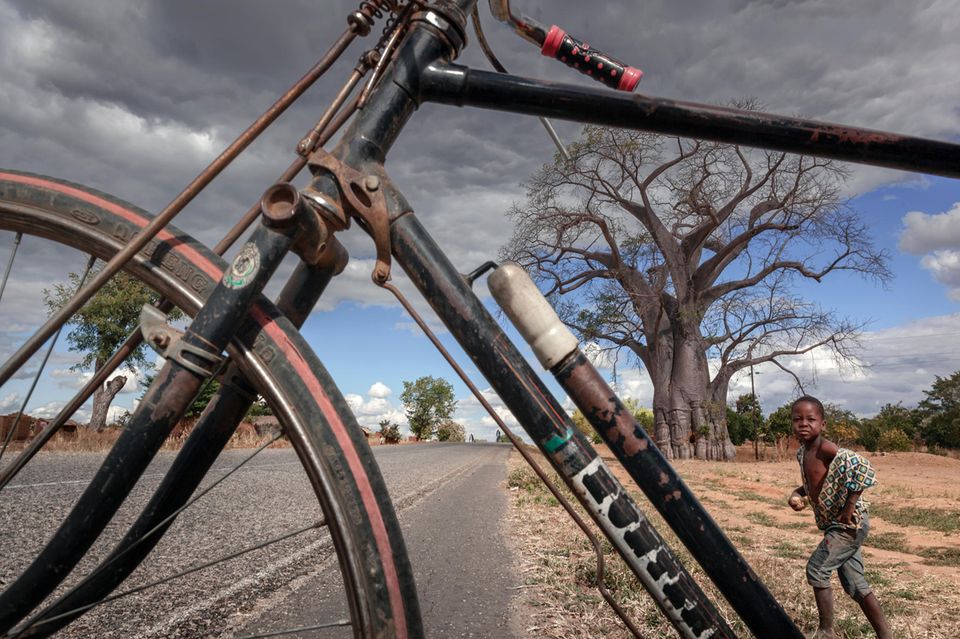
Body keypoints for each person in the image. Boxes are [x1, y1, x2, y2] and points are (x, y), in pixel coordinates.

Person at [788, 395, 892, 639]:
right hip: (837, 525)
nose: (803, 424)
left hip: (848, 524)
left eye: (811, 419)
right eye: (797, 419)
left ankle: (826, 632)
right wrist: (798, 493)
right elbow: (814, 483)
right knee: (855, 585)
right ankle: (886, 635)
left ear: (822, 424)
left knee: (817, 569)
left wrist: (850, 506)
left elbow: (860, 467)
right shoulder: (803, 452)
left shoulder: (826, 448)